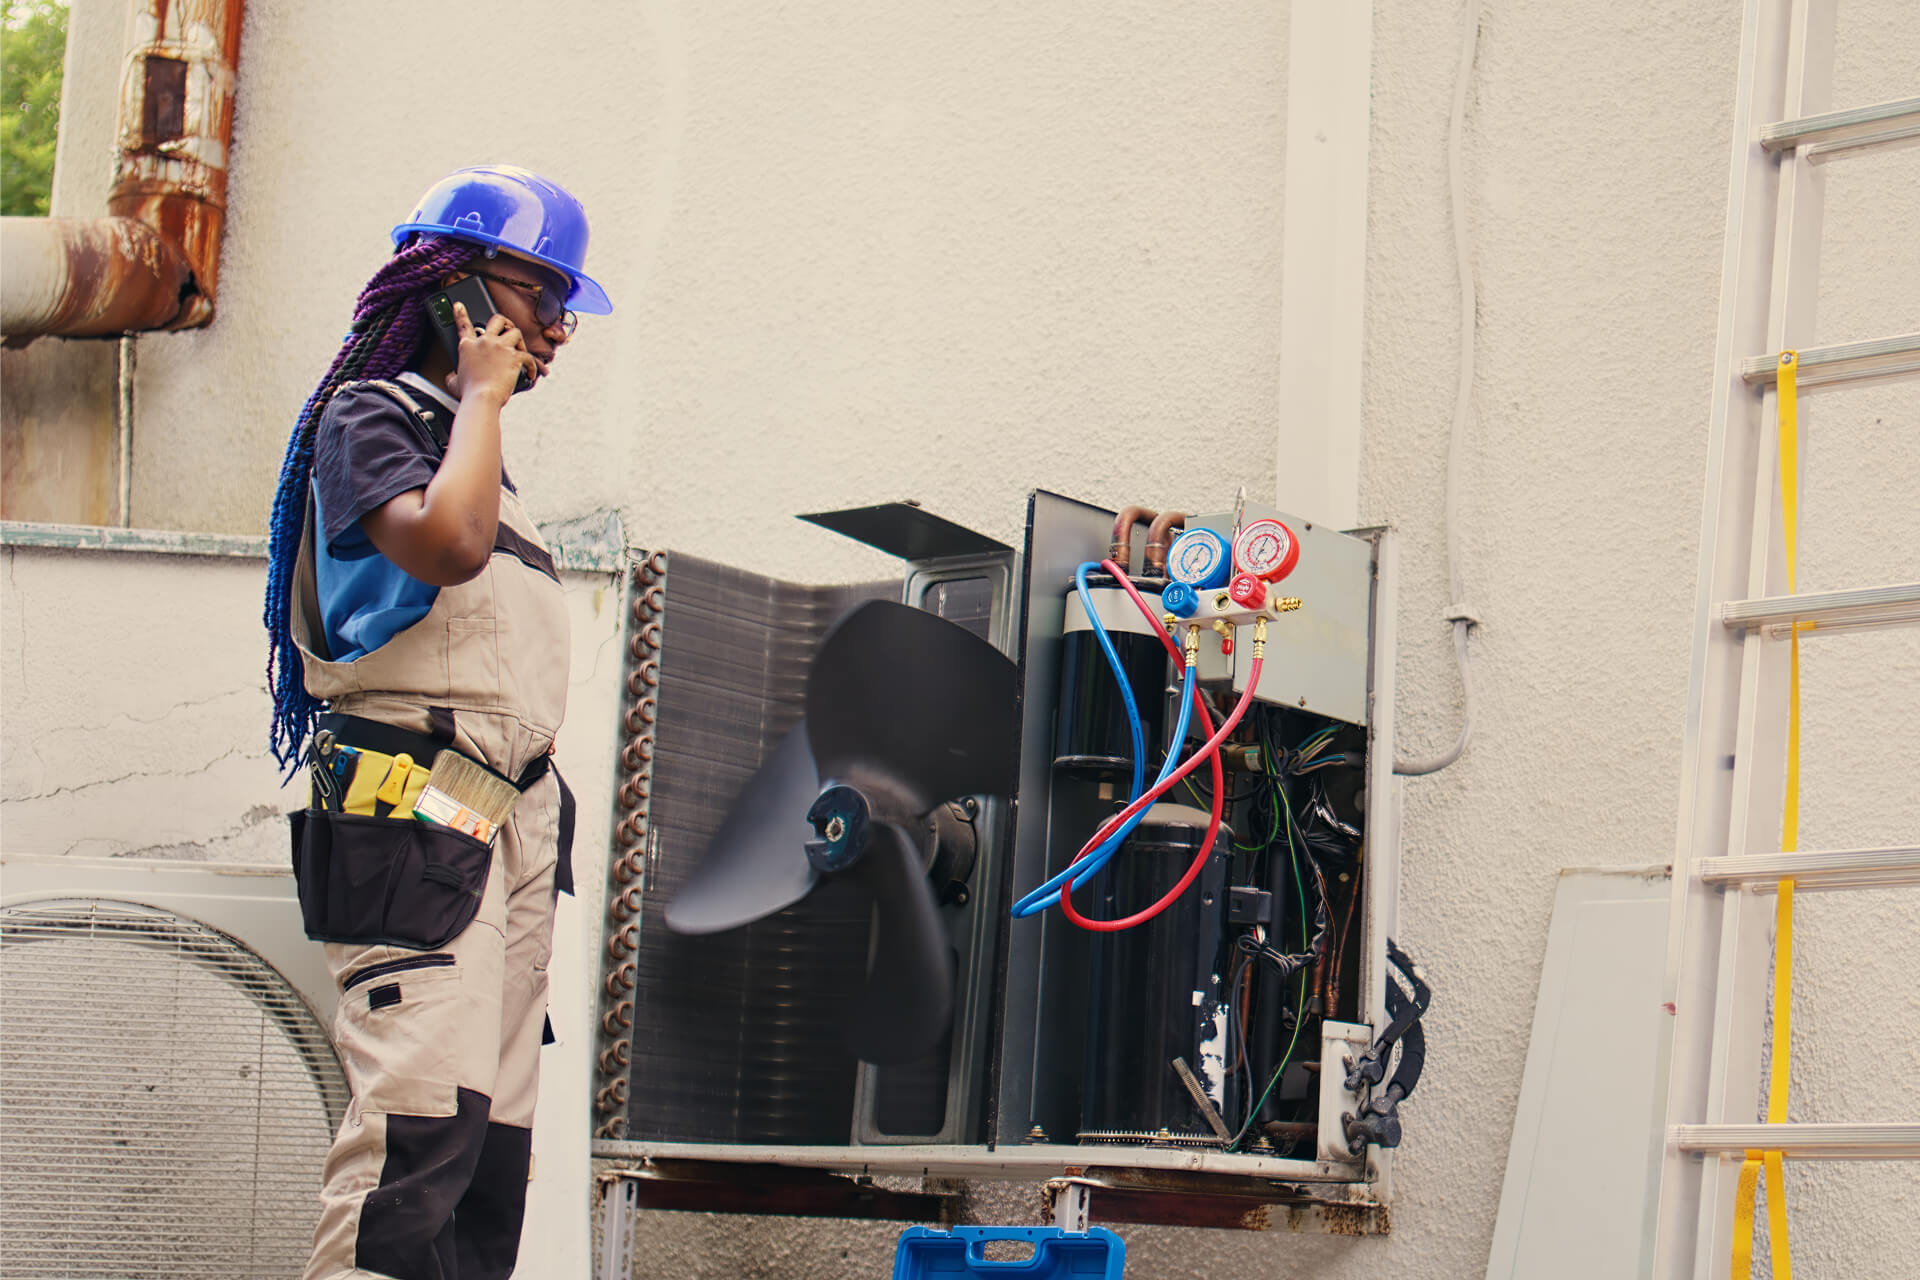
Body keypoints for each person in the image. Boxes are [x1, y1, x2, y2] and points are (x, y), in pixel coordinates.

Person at [262, 165, 613, 1280]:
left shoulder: (478, 457)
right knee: (412, 1135)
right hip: (414, 824)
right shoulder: (375, 416)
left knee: (485, 1159)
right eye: (539, 293)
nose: (556, 328)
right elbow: (445, 549)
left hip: (500, 833)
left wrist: (480, 417)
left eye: (567, 307)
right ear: (453, 285)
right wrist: (484, 398)